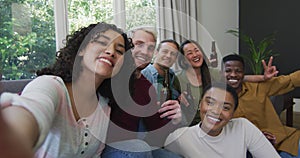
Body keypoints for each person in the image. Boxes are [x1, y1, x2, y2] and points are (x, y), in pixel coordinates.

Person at [0, 22, 133, 157]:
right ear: (81, 49)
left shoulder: (105, 107)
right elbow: (29, 111)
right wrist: (14, 136)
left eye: (119, 51)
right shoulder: (51, 85)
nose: (111, 52)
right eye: (102, 42)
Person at [102, 28, 182, 158]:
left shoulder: (146, 87)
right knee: (139, 149)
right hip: (106, 148)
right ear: (127, 47)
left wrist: (174, 119)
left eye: (150, 48)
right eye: (139, 44)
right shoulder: (110, 73)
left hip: (134, 147)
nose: (145, 52)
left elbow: (156, 132)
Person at [177, 40, 279, 126]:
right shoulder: (178, 79)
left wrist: (264, 77)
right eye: (189, 53)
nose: (195, 55)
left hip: (214, 123)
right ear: (183, 60)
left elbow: (240, 78)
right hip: (191, 125)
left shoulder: (212, 73)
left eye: (197, 51)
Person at [164, 82, 280, 158]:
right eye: (210, 102)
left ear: (232, 113)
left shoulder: (243, 126)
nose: (216, 111)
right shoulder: (181, 137)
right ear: (200, 104)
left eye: (225, 107)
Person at [221, 54, 300, 157]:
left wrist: (263, 78)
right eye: (228, 71)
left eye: (238, 71)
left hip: (283, 143)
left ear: (243, 74)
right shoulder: (217, 99)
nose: (233, 75)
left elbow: (289, 81)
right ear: (221, 73)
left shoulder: (257, 87)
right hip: (248, 151)